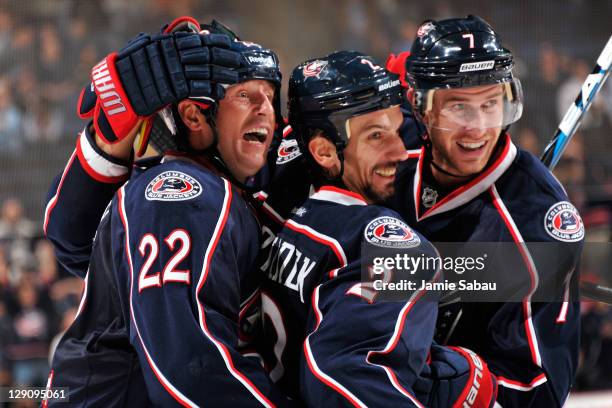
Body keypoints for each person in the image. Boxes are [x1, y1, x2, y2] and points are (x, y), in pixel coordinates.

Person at [44, 16, 291, 406]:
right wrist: (108, 139)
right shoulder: (177, 193)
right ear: (194, 115)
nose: (267, 112)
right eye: (245, 95)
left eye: (270, 97)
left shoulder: (228, 185)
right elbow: (188, 368)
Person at [256, 50, 497, 407]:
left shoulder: (295, 217)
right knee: (464, 378)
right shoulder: (387, 244)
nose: (401, 152)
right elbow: (342, 374)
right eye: (376, 136)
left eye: (398, 131)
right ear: (323, 151)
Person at [387, 15, 583, 407]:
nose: (478, 129)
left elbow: (540, 390)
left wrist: (453, 380)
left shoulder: (535, 224)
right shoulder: (393, 152)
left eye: (491, 104)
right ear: (419, 109)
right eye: (459, 108)